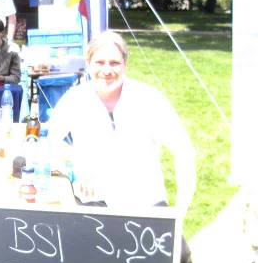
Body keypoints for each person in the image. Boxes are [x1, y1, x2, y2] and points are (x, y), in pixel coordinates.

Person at [47, 30, 196, 213]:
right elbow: (49, 144)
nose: (107, 71)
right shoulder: (74, 99)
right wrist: (71, 171)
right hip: (92, 206)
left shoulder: (149, 99)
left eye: (114, 63)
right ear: (88, 64)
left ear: (125, 64)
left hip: (146, 206)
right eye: (99, 62)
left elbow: (183, 150)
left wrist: (181, 208)